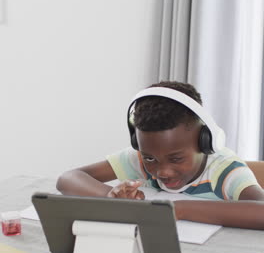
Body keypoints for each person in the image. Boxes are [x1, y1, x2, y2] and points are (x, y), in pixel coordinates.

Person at [56, 81, 264, 229]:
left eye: (176, 159)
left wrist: (178, 209)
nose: (162, 171)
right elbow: (68, 178)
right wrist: (112, 197)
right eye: (150, 158)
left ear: (205, 141)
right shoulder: (138, 158)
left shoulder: (225, 170)